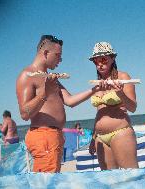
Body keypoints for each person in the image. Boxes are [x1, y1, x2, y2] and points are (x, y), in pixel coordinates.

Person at [16, 35, 101, 173]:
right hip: (44, 136)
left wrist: (94, 90)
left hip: (54, 137)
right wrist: (45, 94)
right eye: (58, 55)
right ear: (45, 53)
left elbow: (70, 101)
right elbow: (25, 114)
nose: (60, 59)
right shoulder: (28, 75)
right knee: (46, 183)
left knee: (51, 181)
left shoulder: (50, 78)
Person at [88, 42, 138, 170]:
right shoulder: (97, 83)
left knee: (131, 177)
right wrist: (93, 138)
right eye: (96, 61)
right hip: (100, 139)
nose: (100, 64)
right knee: (109, 181)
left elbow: (133, 107)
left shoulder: (123, 77)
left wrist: (120, 93)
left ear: (113, 58)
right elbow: (99, 112)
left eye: (104, 59)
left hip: (120, 133)